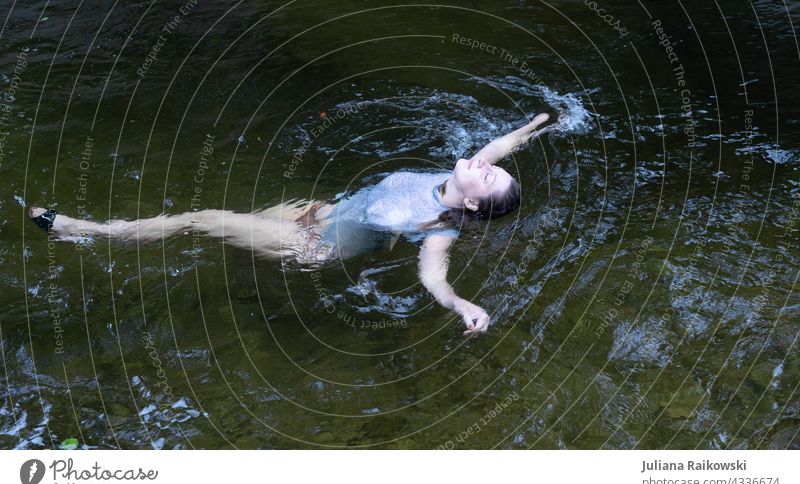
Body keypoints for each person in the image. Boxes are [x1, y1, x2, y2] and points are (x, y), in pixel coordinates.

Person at [29, 113, 553, 335]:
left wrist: (461, 304)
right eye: (490, 164)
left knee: (201, 219)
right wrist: (536, 126)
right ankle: (250, 281)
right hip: (316, 211)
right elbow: (500, 145)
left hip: (312, 245)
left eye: (490, 176)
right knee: (229, 231)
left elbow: (432, 278)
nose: (485, 164)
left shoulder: (440, 227)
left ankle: (87, 230)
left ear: (474, 207)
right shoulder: (455, 175)